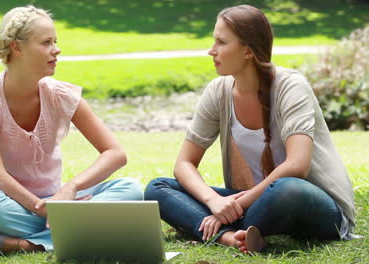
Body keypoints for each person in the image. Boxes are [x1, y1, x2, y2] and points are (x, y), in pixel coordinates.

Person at [145, 4, 355, 253]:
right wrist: (214, 201)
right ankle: (231, 237)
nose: (211, 51)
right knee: (157, 188)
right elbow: (184, 164)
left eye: (221, 42)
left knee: (286, 187)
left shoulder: (291, 86)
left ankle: (220, 225)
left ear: (248, 50)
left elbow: (297, 166)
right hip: (253, 203)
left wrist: (233, 207)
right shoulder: (218, 91)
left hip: (310, 203)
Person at [0, 5, 143, 255]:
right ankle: (81, 231)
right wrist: (44, 209)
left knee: (131, 190)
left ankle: (27, 244)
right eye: (46, 42)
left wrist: (70, 188)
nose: (57, 49)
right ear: (17, 47)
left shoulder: (60, 94)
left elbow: (115, 153)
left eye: (55, 41)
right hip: (10, 207)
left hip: (57, 202)